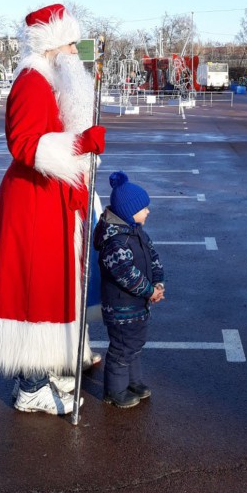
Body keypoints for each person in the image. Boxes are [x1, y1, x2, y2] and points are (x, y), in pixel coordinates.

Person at [0, 3, 106, 416]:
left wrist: (82, 145)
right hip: (33, 201)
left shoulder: (48, 79)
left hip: (50, 196)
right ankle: (31, 385)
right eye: (70, 43)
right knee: (36, 290)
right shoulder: (32, 81)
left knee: (53, 286)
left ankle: (48, 370)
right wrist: (79, 146)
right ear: (53, 44)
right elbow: (24, 143)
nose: (75, 52)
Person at [94, 171, 165, 409]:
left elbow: (152, 257)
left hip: (138, 305)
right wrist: (149, 291)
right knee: (122, 349)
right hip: (121, 307)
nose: (148, 212)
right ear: (128, 211)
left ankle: (132, 382)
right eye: (144, 208)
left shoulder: (137, 233)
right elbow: (126, 274)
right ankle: (115, 391)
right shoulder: (116, 242)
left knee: (135, 345)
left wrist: (158, 282)